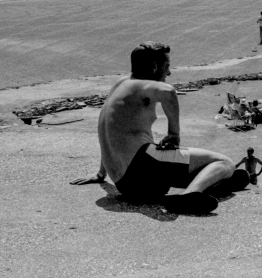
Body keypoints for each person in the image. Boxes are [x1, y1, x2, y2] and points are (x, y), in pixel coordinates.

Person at [70, 42, 240, 215]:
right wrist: (174, 134)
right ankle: (189, 195)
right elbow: (168, 92)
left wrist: (101, 174)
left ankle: (217, 181)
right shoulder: (141, 86)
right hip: (143, 170)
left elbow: (110, 132)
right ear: (154, 66)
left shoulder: (119, 86)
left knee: (210, 170)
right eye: (166, 67)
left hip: (125, 184)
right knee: (224, 162)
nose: (169, 72)